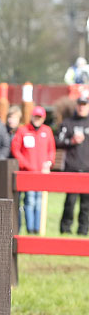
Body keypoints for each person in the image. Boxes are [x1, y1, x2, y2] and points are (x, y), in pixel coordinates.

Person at [11, 105, 56, 234]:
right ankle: (31, 229)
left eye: (39, 117)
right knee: (29, 200)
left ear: (43, 118)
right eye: (35, 116)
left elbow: (51, 149)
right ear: (31, 116)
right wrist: (25, 164)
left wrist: (49, 162)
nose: (37, 119)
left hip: (42, 173)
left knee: (40, 201)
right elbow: (16, 149)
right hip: (28, 173)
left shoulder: (47, 131)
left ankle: (38, 228)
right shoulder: (23, 130)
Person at [57, 96, 89, 234]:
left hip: (87, 169)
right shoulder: (68, 122)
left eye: (84, 104)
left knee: (86, 204)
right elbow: (58, 141)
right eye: (80, 104)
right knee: (70, 202)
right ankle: (65, 230)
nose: (82, 107)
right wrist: (72, 141)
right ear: (77, 106)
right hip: (72, 169)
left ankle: (83, 231)